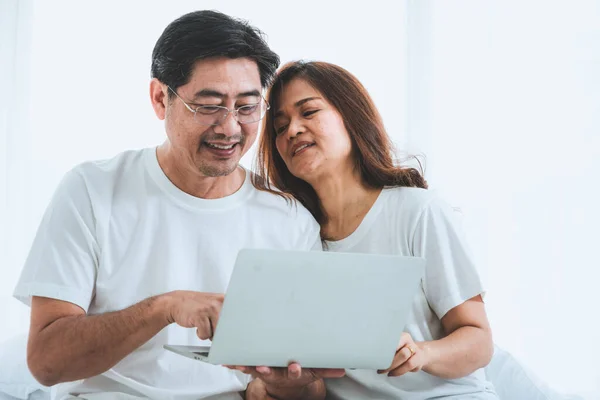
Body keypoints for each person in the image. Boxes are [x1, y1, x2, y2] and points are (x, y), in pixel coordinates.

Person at [13, 12, 340, 400]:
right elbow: (47, 363)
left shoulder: (289, 221)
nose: (230, 127)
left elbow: (312, 390)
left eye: (248, 106)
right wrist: (163, 308)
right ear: (159, 98)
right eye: (209, 105)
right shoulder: (92, 190)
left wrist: (284, 384)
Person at [251, 61, 500, 399]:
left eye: (308, 112)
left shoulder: (417, 211)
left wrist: (422, 353)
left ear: (350, 116)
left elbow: (478, 341)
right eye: (280, 127)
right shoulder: (290, 236)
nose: (292, 130)